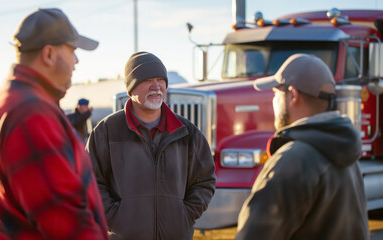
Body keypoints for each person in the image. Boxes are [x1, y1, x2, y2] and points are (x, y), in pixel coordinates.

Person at [0, 8, 108, 240]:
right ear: (49, 54)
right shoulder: (32, 115)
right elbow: (68, 225)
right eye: (72, 50)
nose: (76, 60)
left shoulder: (3, 103)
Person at [235, 53, 369, 240]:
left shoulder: (293, 160)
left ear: (293, 96)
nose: (273, 101)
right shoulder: (346, 154)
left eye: (276, 94)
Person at [86, 51, 216, 240]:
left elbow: (204, 180)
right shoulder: (106, 131)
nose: (156, 87)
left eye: (160, 80)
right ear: (132, 88)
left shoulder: (187, 131)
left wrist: (184, 215)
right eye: (147, 80)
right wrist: (116, 218)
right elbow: (90, 182)